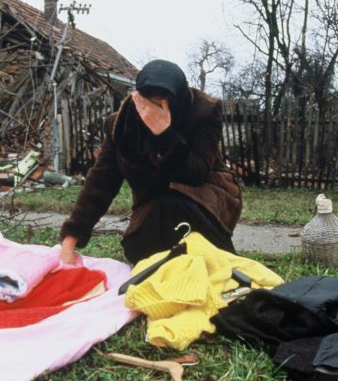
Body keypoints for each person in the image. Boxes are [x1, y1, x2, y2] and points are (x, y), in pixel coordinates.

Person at [60, 59, 242, 265]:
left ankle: (221, 258)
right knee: (137, 248)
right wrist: (71, 239)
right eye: (149, 102)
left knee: (175, 212)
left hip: (203, 201)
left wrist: (165, 134)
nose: (153, 111)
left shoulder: (204, 111)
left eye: (163, 103)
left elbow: (195, 173)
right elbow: (101, 181)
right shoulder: (121, 124)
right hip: (153, 206)